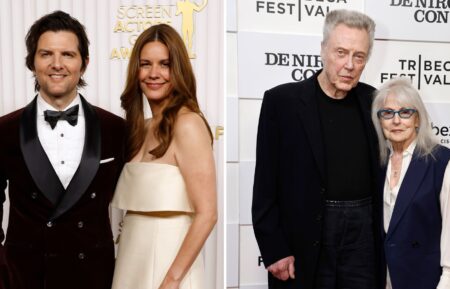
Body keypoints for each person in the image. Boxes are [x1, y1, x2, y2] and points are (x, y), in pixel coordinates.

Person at [252, 9, 380, 289]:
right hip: (303, 241)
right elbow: (264, 186)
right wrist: (274, 249)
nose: (349, 64)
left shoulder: (376, 102)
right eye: (341, 52)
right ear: (323, 50)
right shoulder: (281, 102)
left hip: (362, 243)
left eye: (358, 56)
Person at [0, 11, 125, 289]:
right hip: (25, 277)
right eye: (46, 54)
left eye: (68, 55)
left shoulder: (116, 129)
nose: (57, 64)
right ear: (32, 62)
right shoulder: (4, 130)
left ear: (84, 63)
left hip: (95, 276)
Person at [110, 24, 217, 289]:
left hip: (168, 264)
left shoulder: (188, 124)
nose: (154, 74)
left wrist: (172, 280)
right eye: (145, 64)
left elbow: (208, 213)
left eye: (164, 64)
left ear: (178, 69)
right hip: (130, 259)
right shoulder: (141, 128)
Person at [371, 78, 450, 289]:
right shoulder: (378, 162)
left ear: (417, 119)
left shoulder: (441, 162)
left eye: (405, 112)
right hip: (383, 277)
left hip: (425, 279)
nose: (396, 121)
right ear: (379, 121)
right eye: (387, 113)